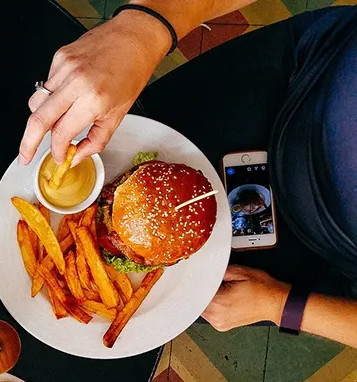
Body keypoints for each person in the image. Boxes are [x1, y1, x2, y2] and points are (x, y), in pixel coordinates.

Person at [18, 1, 357, 347]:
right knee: (141, 112)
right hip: (305, 65)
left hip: (318, 253)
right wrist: (143, 29)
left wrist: (281, 305)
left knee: (195, 296)